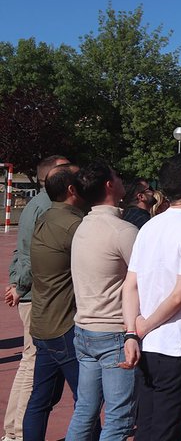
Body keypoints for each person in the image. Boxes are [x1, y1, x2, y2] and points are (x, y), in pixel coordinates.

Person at [121, 153, 181, 441]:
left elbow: (130, 285)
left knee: (146, 426)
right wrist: (143, 328)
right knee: (166, 431)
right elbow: (178, 297)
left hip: (145, 344)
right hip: (175, 345)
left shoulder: (150, 226)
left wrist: (131, 332)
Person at [67, 162, 138, 441]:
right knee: (119, 417)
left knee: (85, 409)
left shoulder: (83, 226)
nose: (122, 180)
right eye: (118, 176)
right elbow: (143, 280)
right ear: (109, 185)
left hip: (84, 330)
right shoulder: (122, 231)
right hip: (113, 333)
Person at [4, 155, 69, 441]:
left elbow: (23, 252)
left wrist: (16, 282)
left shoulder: (37, 204)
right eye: (65, 169)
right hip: (38, 296)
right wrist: (19, 284)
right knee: (32, 366)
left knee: (29, 364)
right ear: (52, 176)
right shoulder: (46, 207)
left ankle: (13, 431)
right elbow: (33, 254)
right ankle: (18, 432)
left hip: (32, 292)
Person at [23, 163, 86, 441]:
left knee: (41, 399)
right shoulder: (73, 225)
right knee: (86, 401)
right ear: (72, 190)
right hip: (64, 325)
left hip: (44, 322)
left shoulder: (45, 217)